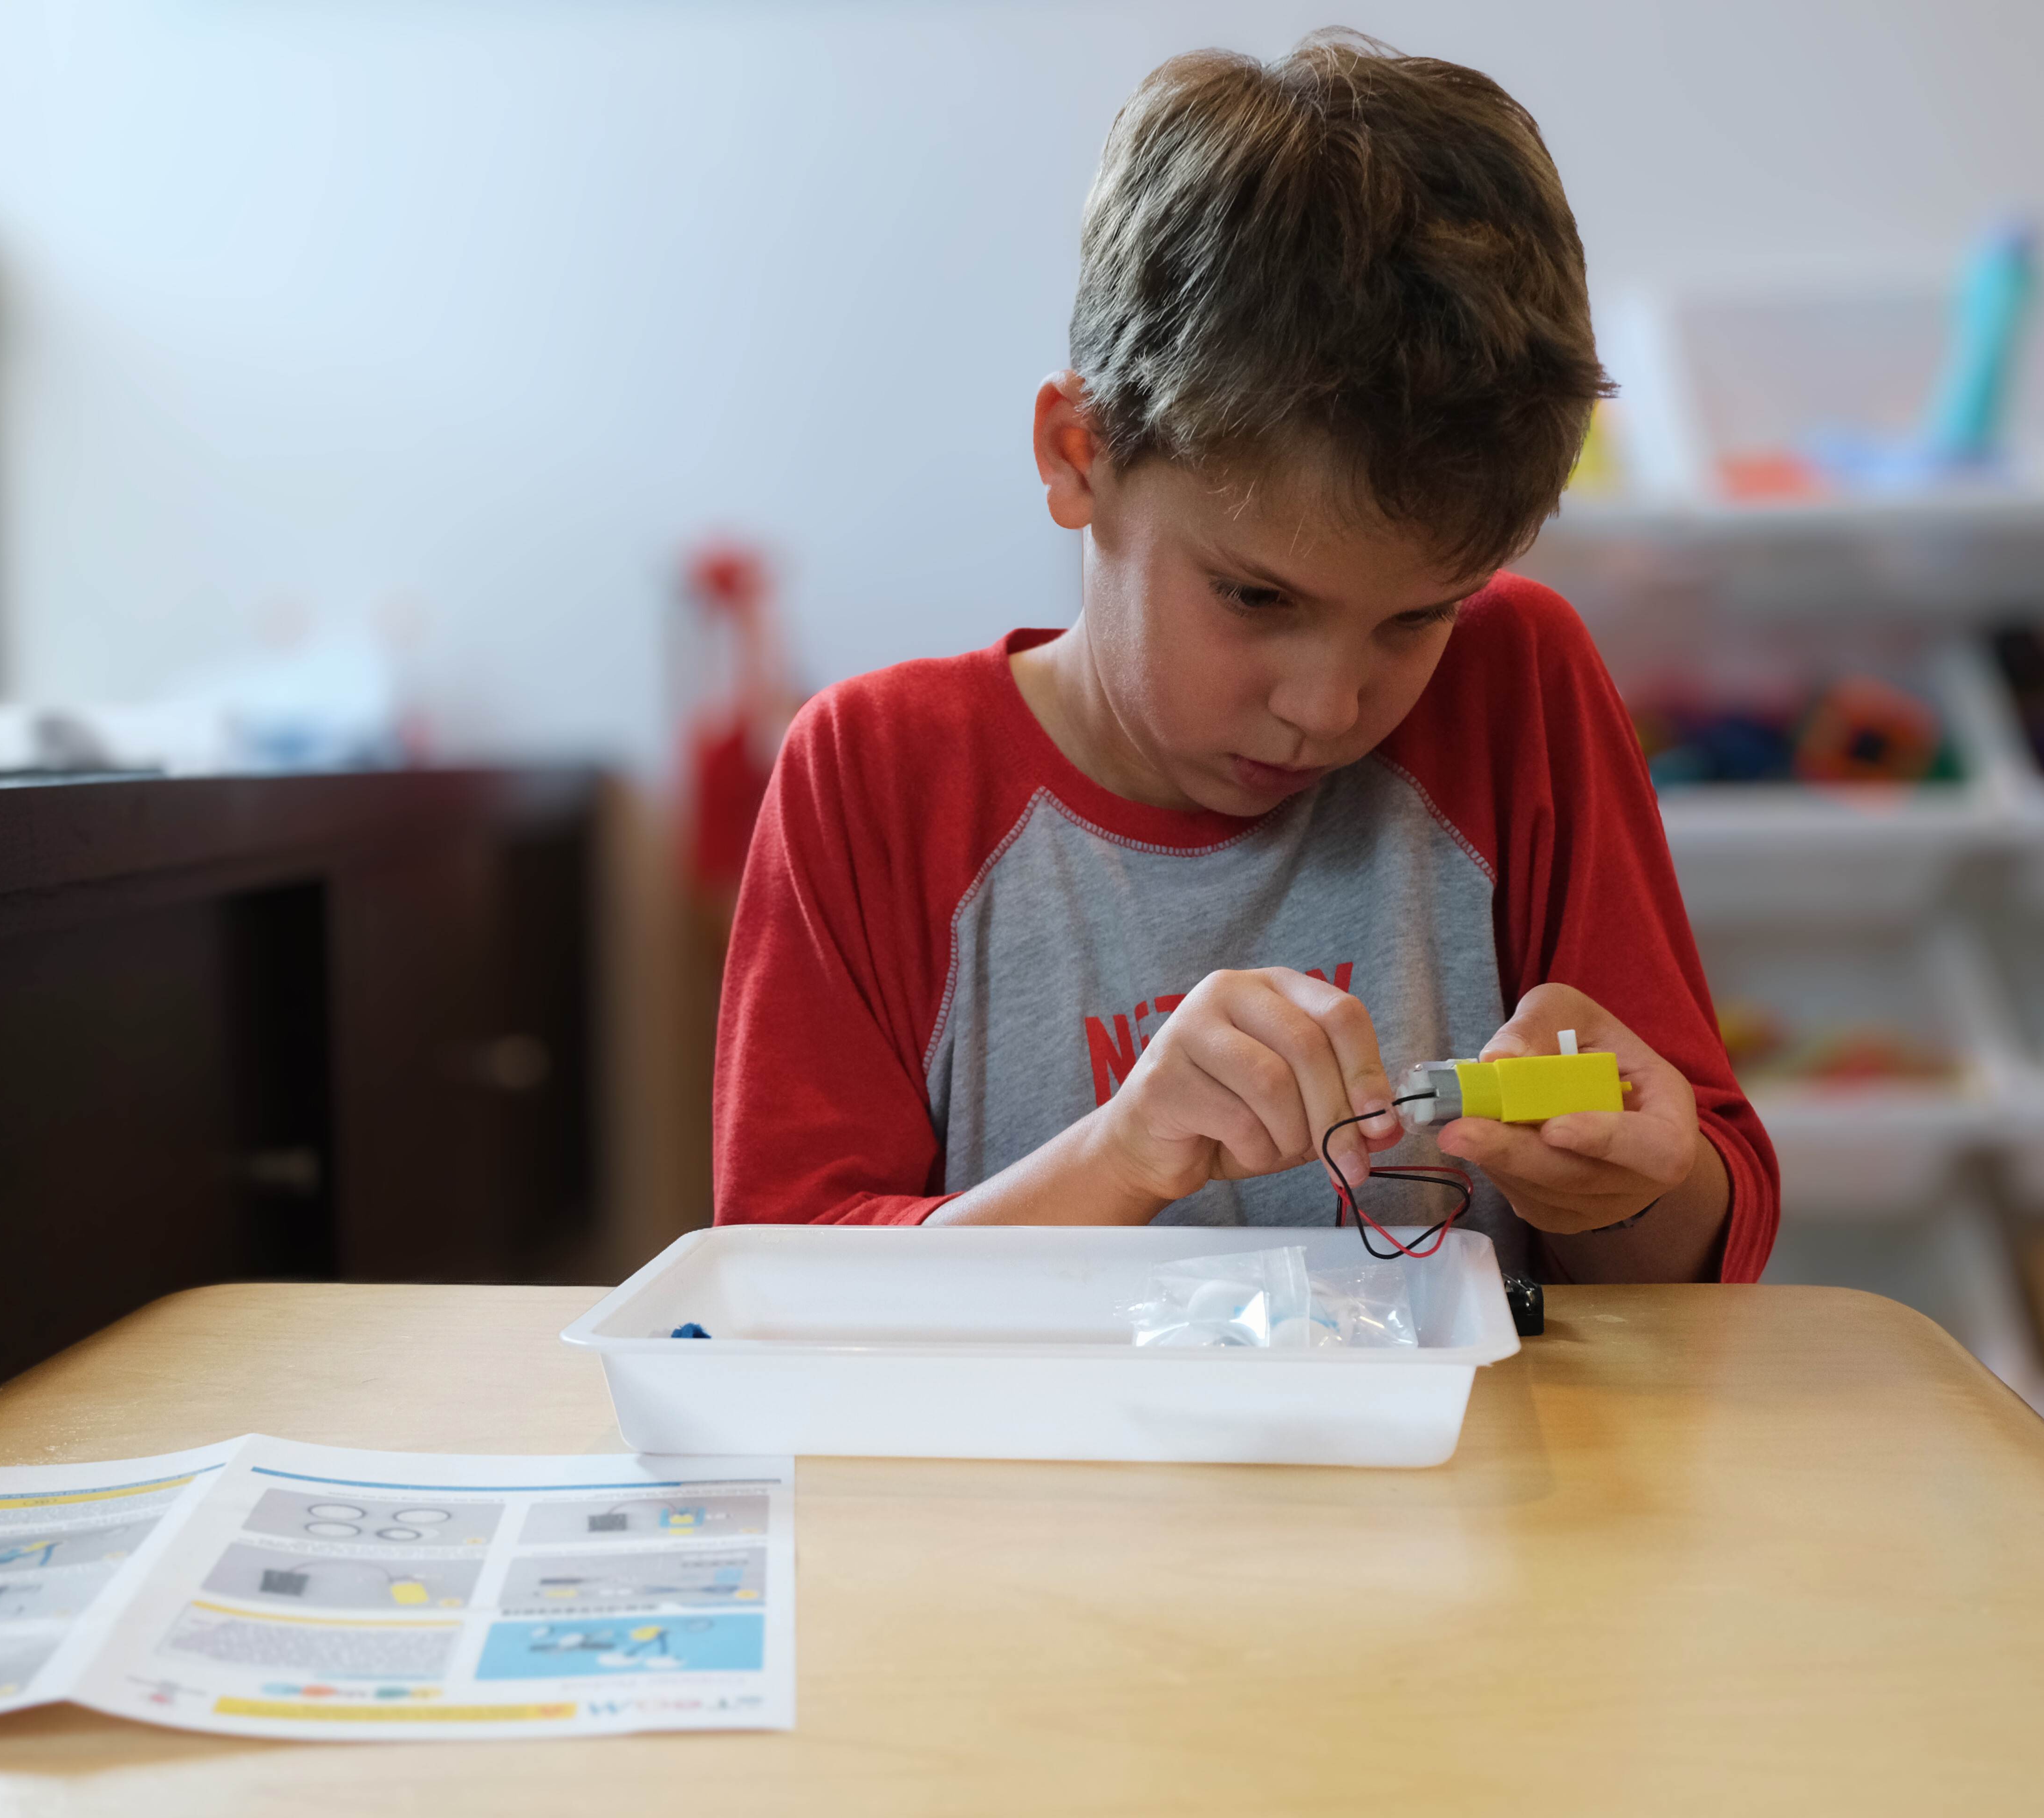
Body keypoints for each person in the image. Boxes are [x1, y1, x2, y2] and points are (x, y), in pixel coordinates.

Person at [713, 32, 1777, 1283]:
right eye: (1257, 596)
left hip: (1468, 1478)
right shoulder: (878, 773)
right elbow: (781, 1296)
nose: (1328, 707)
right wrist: (1117, 1160)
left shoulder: (1518, 684)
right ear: (1078, 455)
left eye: (1417, 617)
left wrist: (1625, 1190)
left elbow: (1695, 1252)